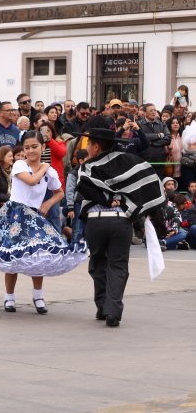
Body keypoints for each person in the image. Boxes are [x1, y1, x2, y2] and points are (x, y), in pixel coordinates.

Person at [0, 130, 87, 314]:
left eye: (35, 146)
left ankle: (38, 295)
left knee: (39, 254)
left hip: (34, 217)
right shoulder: (19, 165)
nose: (31, 151)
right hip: (15, 215)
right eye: (27, 147)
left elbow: (59, 192)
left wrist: (48, 203)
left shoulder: (50, 172)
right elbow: (32, 181)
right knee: (12, 255)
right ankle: (9, 297)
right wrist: (44, 167)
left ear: (42, 147)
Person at [76, 125, 166, 327]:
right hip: (121, 221)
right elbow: (151, 180)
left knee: (98, 263)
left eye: (89, 143)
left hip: (96, 220)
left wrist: (106, 199)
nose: (87, 147)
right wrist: (126, 202)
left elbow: (84, 188)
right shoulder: (130, 161)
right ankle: (112, 310)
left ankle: (102, 305)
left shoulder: (88, 166)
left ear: (96, 147)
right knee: (118, 265)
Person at [138, 103, 171, 178]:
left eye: (154, 110)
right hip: (144, 160)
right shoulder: (139, 124)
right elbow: (141, 137)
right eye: (151, 111)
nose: (153, 112)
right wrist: (158, 135)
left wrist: (151, 143)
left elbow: (168, 138)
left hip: (159, 160)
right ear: (145, 113)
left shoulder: (161, 123)